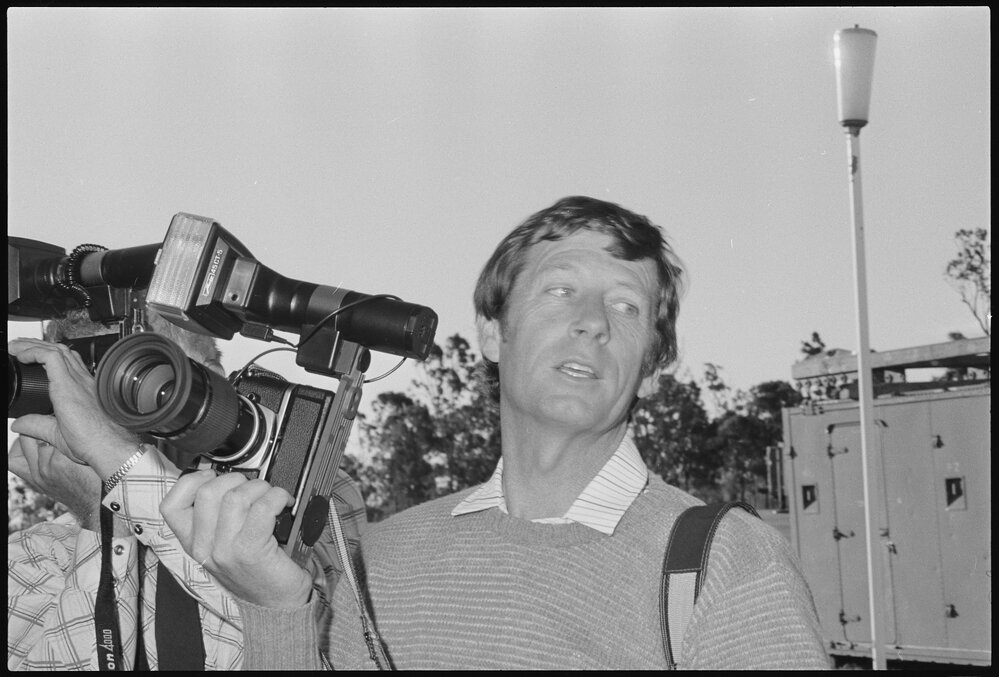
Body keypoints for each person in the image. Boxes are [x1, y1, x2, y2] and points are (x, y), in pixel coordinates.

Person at [95, 196, 834, 669]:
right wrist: (272, 604)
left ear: (651, 369)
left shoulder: (727, 564)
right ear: (490, 329)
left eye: (628, 307)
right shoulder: (379, 558)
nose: (592, 321)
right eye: (559, 289)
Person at [7, 305, 366, 670]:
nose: (106, 417)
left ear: (212, 379)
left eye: (135, 377)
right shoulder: (36, 555)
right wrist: (100, 517)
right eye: (84, 393)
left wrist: (119, 465)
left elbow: (301, 637)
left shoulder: (300, 485)